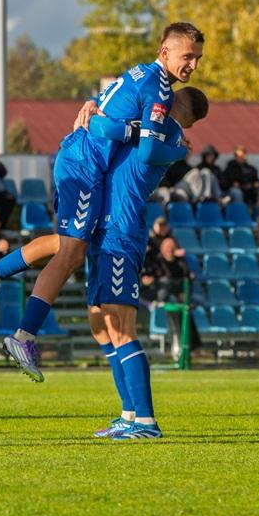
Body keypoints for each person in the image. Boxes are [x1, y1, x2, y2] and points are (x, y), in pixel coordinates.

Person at [0, 23, 204, 381]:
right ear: (164, 51)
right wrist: (164, 142)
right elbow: (111, 131)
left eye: (198, 58)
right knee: (71, 253)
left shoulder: (140, 74)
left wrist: (99, 110)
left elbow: (110, 111)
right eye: (188, 56)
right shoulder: (158, 89)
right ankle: (23, 335)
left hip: (83, 161)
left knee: (67, 245)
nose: (193, 65)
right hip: (85, 164)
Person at [85, 90, 206, 440]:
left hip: (123, 229)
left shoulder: (165, 130)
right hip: (105, 227)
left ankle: (146, 421)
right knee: (100, 323)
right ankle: (127, 413)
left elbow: (109, 129)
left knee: (121, 324)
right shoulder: (160, 129)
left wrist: (94, 111)